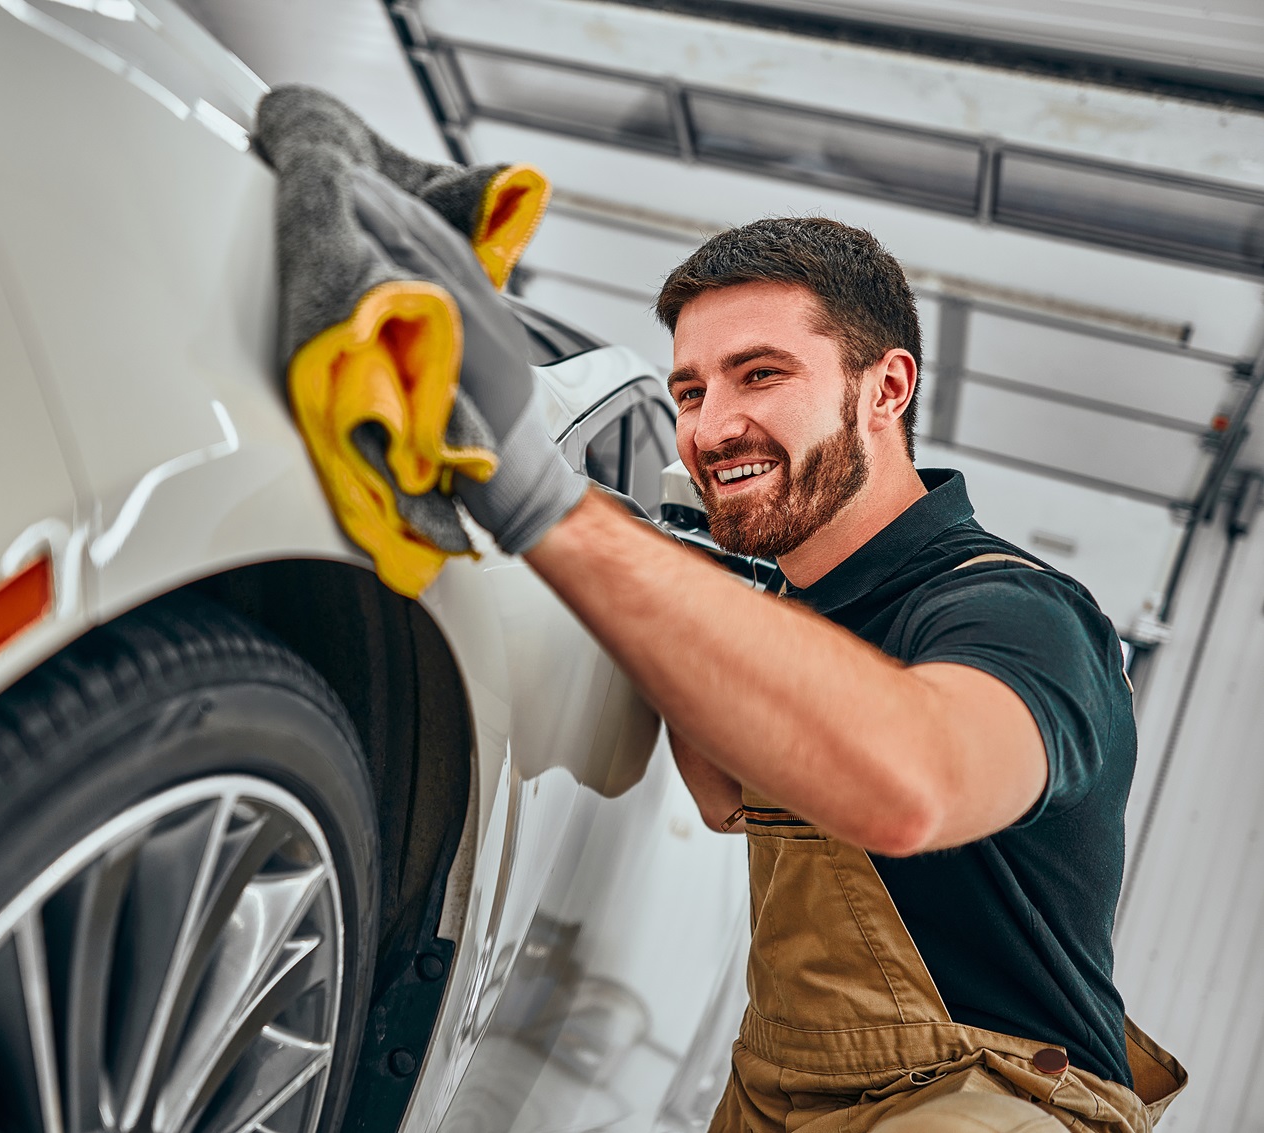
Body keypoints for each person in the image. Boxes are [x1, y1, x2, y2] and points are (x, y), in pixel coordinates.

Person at [349, 175, 1185, 1133]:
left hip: (991, 1099)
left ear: (887, 388)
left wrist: (553, 509)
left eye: (762, 375)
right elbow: (726, 795)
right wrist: (668, 566)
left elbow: (914, 780)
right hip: (777, 1085)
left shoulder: (1018, 610)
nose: (709, 429)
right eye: (690, 391)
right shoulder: (789, 592)